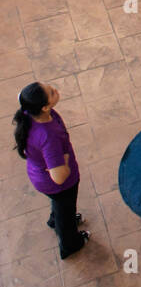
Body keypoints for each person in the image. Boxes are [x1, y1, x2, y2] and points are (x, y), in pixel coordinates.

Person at [13, 82, 89, 259]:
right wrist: (66, 158)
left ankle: (56, 219)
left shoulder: (30, 112)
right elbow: (59, 177)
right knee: (66, 211)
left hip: (40, 176)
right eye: (52, 92)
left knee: (61, 207)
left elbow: (21, 95)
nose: (55, 90)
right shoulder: (48, 137)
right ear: (45, 107)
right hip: (59, 186)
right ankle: (70, 244)